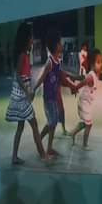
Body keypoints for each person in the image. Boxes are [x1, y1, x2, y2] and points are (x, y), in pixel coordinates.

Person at [3, 22, 47, 164]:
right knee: (34, 124)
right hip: (21, 97)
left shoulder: (25, 55)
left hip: (21, 96)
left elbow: (24, 76)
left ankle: (14, 157)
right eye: (31, 38)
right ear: (25, 39)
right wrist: (27, 90)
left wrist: (29, 89)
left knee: (21, 127)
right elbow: (17, 76)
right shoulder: (22, 56)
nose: (32, 40)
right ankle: (43, 155)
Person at [34, 30, 77, 158]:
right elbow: (42, 78)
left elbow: (62, 77)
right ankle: (40, 139)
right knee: (52, 122)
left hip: (54, 97)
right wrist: (33, 89)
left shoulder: (58, 61)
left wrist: (72, 84)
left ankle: (49, 147)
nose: (61, 45)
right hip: (48, 98)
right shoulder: (50, 62)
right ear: (55, 45)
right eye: (59, 43)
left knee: (53, 122)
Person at [70, 47, 102, 149]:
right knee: (89, 124)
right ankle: (84, 144)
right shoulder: (91, 76)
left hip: (86, 103)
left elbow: (84, 79)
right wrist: (75, 88)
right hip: (84, 104)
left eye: (101, 62)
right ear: (92, 64)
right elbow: (84, 81)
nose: (100, 64)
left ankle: (73, 133)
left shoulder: (94, 74)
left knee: (85, 123)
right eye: (98, 62)